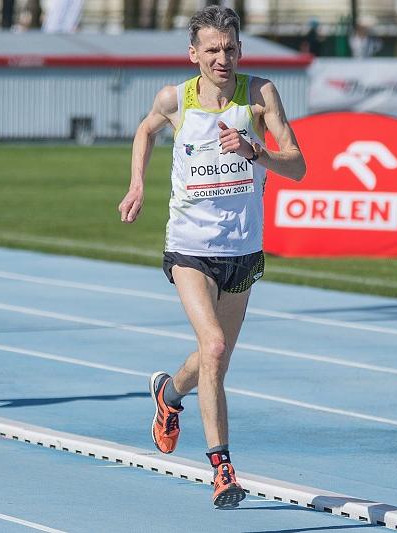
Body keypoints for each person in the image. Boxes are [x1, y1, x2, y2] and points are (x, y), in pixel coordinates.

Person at [117, 6, 305, 509]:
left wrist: (254, 152)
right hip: (190, 248)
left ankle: (168, 396)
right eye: (212, 49)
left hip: (242, 249)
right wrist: (137, 184)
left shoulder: (261, 94)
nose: (222, 58)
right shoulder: (175, 98)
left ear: (240, 49)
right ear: (194, 53)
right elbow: (144, 130)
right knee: (216, 349)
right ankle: (222, 469)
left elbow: (299, 166)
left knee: (210, 358)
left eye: (230, 48)